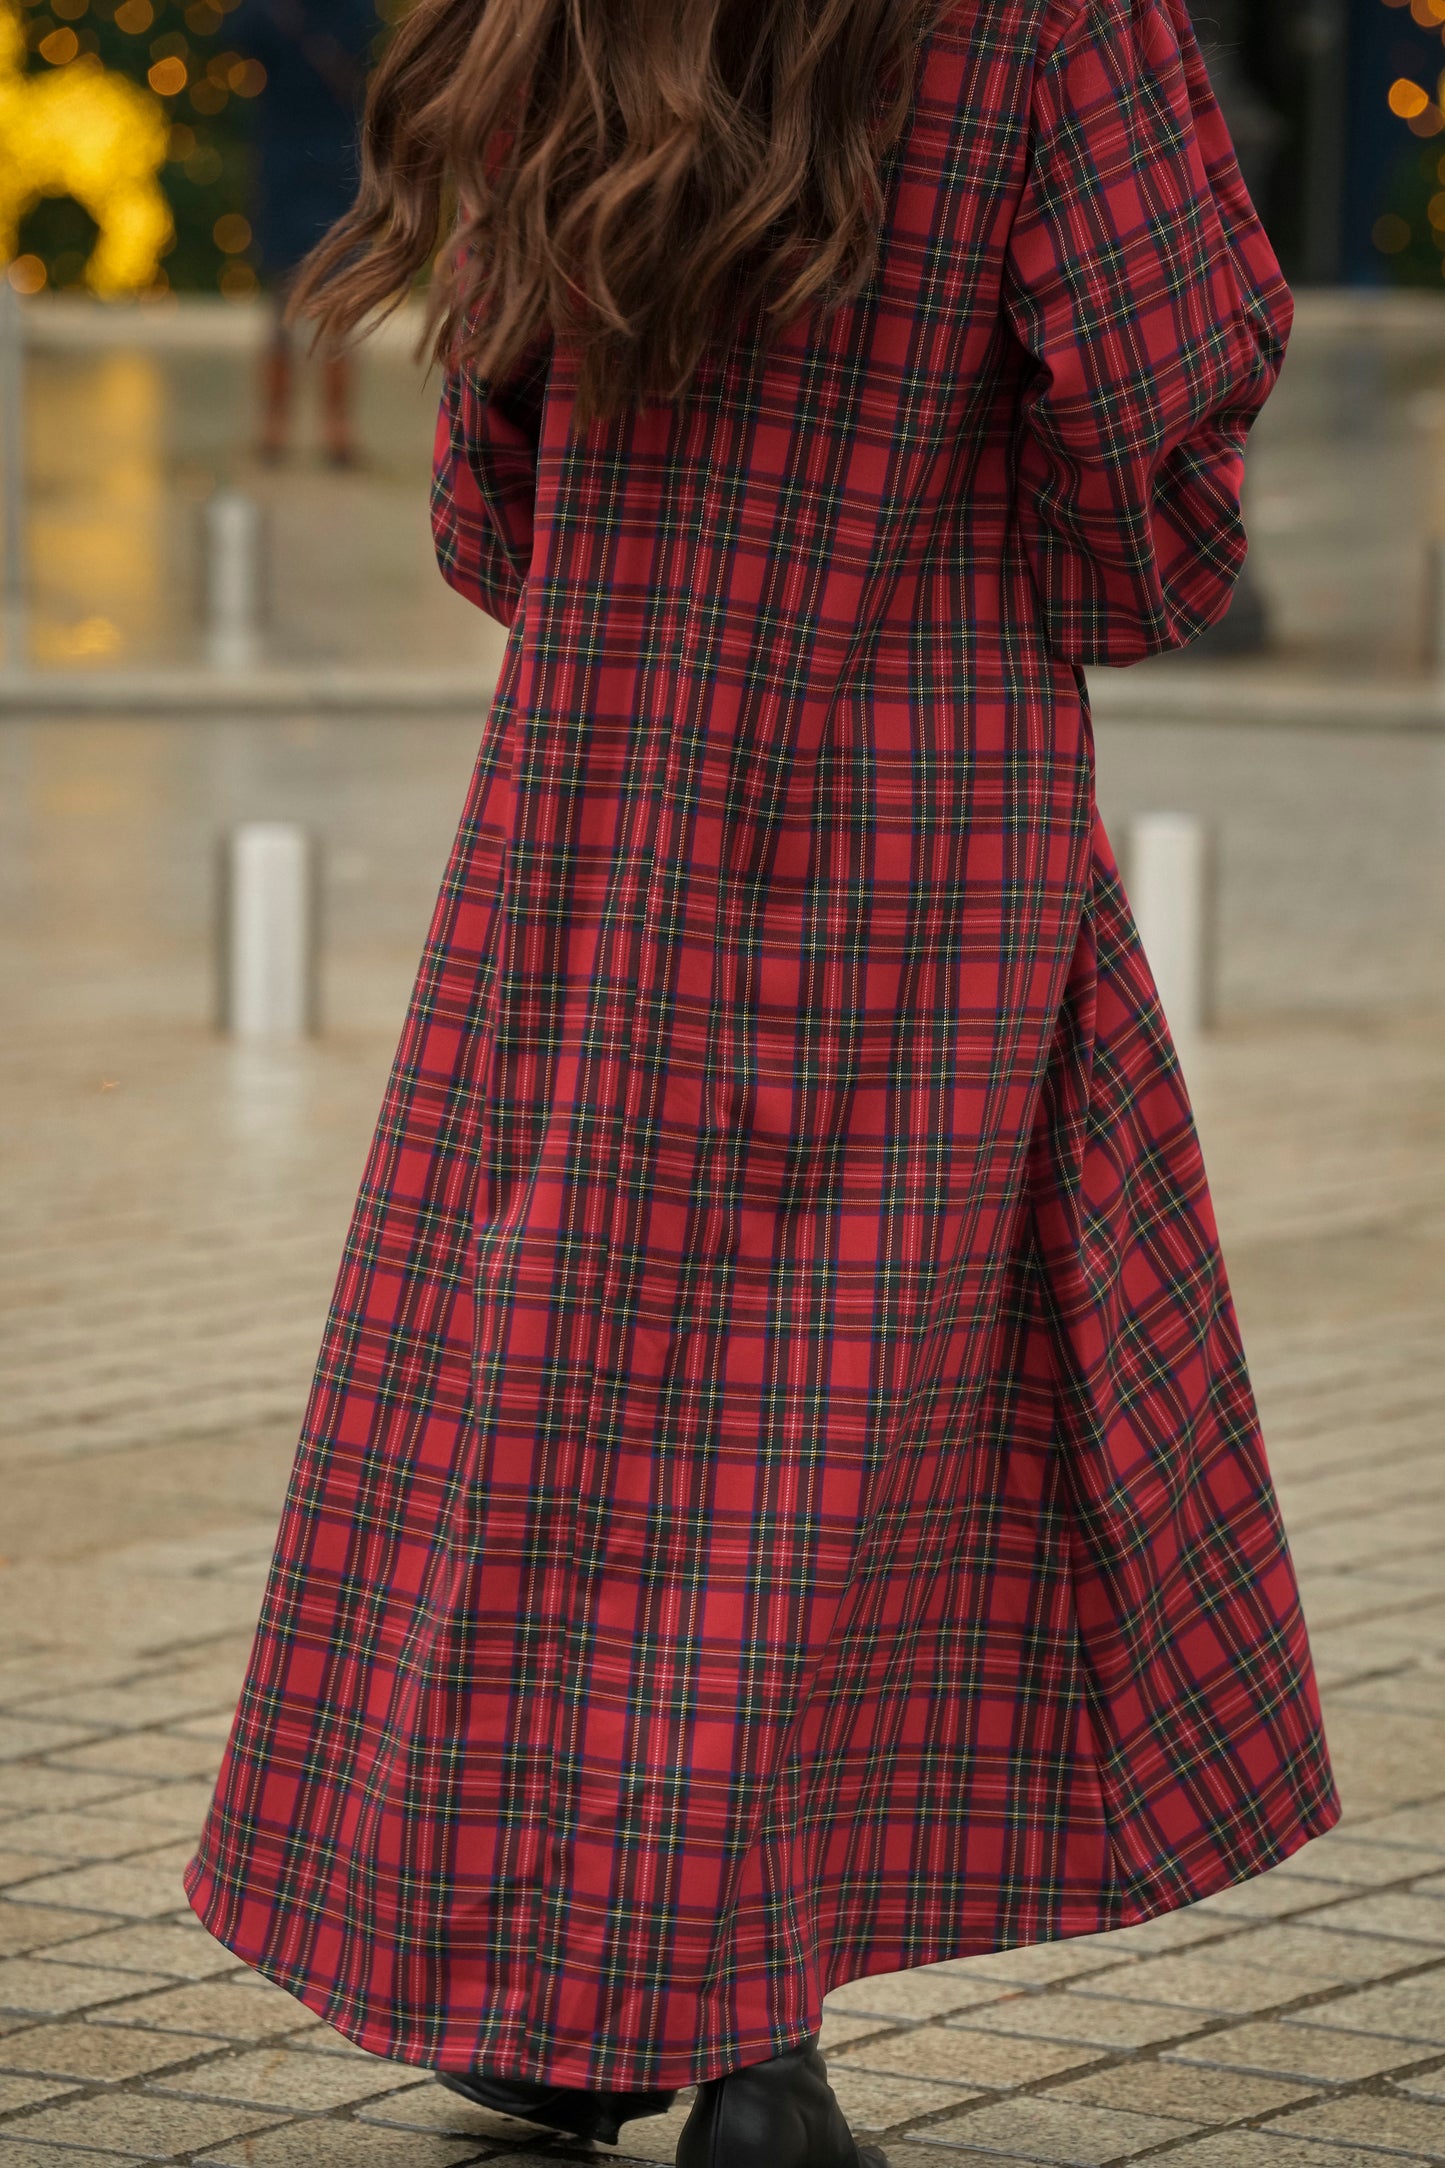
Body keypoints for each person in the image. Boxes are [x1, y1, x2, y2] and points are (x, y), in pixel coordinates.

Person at [184, 0, 1341, 2161]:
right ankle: (745, 2048)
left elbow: (488, 473)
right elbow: (1156, 383)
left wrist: (634, 581)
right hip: (923, 783)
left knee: (581, 1380)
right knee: (819, 1415)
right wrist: (1076, 560)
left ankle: (583, 1993)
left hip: (600, 787)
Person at [228, 0, 374, 464]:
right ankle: (276, 423)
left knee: (341, 301)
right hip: (284, 164)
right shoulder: (268, 10)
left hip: (336, 162)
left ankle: (337, 423)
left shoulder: (351, 9)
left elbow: (361, 46)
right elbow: (237, 35)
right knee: (281, 302)